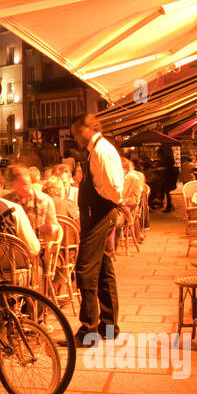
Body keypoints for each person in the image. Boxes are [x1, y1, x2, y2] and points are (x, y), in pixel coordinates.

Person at [70, 113, 124, 343]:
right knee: (103, 270)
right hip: (100, 214)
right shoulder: (98, 149)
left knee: (85, 270)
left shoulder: (101, 151)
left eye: (76, 132)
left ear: (87, 128)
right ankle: (109, 327)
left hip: (100, 215)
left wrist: (106, 204)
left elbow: (112, 186)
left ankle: (89, 330)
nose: (75, 137)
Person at [5, 164, 56, 241]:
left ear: (30, 182)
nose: (25, 189)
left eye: (26, 185)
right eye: (20, 186)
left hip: (39, 245)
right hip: (15, 245)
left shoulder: (44, 200)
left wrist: (50, 228)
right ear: (13, 186)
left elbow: (55, 226)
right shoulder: (7, 200)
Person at [157, 144, 179, 213]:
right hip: (169, 178)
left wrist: (163, 169)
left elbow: (168, 169)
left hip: (168, 178)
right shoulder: (167, 159)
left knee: (167, 192)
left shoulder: (165, 160)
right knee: (167, 193)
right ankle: (169, 206)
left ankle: (168, 207)